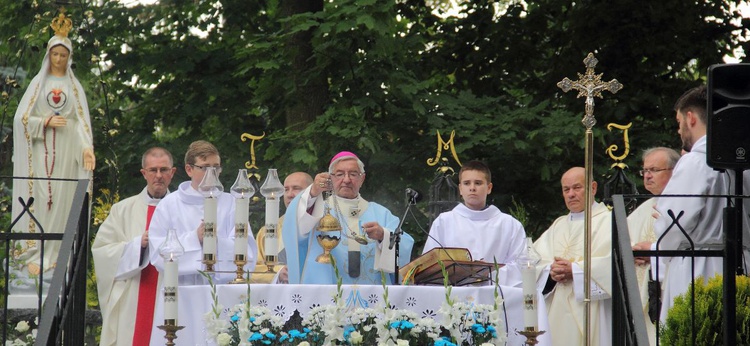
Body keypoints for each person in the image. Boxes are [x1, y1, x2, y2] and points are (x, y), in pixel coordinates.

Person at [633, 85, 750, 322]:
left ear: (690, 118)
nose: (678, 130)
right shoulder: (745, 166)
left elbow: (676, 225)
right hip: (742, 265)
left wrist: (658, 245)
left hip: (698, 269)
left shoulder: (694, 163)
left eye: (678, 122)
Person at [10, 12, 95, 290]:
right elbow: (20, 119)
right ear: (49, 56)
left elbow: (82, 124)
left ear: (69, 58)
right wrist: (45, 121)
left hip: (66, 156)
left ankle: (57, 256)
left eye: (63, 55)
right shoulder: (38, 84)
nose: (59, 59)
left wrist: (86, 150)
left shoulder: (74, 87)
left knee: (62, 199)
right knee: (39, 202)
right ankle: (34, 254)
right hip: (40, 154)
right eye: (55, 55)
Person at [282, 151, 415, 284]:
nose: (346, 180)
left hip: (372, 295)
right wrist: (313, 191)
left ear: (362, 178)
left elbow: (404, 248)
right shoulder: (317, 209)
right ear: (331, 178)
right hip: (327, 295)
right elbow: (295, 225)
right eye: (339, 174)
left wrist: (383, 236)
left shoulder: (381, 214)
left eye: (353, 174)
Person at [92, 147, 176, 346]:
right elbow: (102, 251)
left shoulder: (182, 208)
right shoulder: (122, 210)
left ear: (172, 173)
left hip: (171, 292)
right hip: (134, 292)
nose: (158, 176)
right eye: (153, 170)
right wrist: (139, 245)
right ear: (143, 173)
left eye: (164, 170)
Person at [148, 140, 258, 285]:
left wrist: (216, 242)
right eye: (205, 168)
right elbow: (157, 254)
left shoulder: (231, 203)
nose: (212, 174)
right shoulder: (168, 205)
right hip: (181, 291)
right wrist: (195, 238)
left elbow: (247, 249)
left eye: (216, 168)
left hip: (222, 290)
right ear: (189, 170)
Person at [533, 167, 612, 346]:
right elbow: (534, 261)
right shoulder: (558, 225)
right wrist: (550, 271)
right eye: (566, 189)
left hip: (592, 310)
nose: (571, 194)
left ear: (592, 188)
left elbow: (613, 265)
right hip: (556, 311)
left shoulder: (608, 221)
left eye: (577, 188)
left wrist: (575, 270)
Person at [422, 160, 526, 266]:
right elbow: (429, 264)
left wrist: (487, 271)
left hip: (496, 282)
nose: (472, 188)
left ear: (489, 188)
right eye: (467, 183)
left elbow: (520, 265)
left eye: (478, 183)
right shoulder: (444, 222)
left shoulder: (510, 225)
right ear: (460, 189)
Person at [627, 147, 679, 344]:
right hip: (643, 295)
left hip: (669, 292)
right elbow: (621, 242)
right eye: (644, 171)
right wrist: (633, 251)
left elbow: (687, 246)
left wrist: (654, 252)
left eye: (654, 170)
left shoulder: (682, 202)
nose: (647, 176)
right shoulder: (643, 209)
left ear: (674, 171)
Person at [252, 171, 312, 283]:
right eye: (286, 189)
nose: (290, 194)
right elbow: (253, 269)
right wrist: (278, 272)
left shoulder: (323, 227)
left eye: (296, 188)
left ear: (311, 192)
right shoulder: (267, 231)